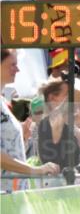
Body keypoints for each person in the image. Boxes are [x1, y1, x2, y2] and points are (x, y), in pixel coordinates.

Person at [0, 50, 60, 188]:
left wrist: (23, 138)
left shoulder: (3, 101)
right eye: (12, 65)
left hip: (13, 193)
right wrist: (35, 170)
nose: (18, 69)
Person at [35, 79, 80, 171]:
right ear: (52, 98)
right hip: (55, 182)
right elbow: (78, 93)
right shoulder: (49, 120)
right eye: (67, 95)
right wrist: (72, 76)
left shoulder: (66, 125)